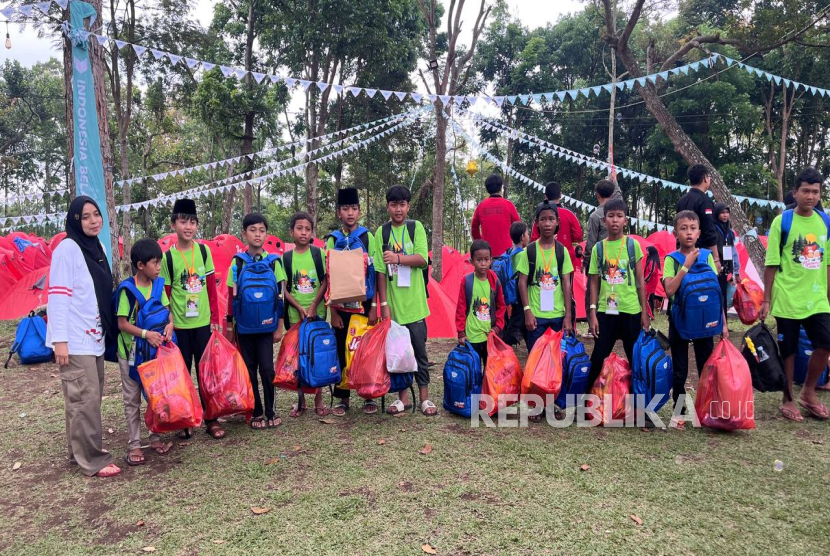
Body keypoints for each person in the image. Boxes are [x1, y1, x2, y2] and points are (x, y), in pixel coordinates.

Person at [46, 196, 121, 478]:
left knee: (87, 397)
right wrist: (60, 341)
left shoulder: (97, 247)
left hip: (94, 336)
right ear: (76, 221)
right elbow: (58, 297)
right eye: (86, 217)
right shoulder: (67, 249)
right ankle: (91, 458)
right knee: (84, 398)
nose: (93, 221)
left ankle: (77, 451)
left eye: (96, 215)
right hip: (75, 339)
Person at [761, 167, 830, 421]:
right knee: (787, 350)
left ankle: (808, 392)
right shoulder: (783, 221)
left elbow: (828, 263)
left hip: (817, 298)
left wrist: (828, 296)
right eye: (806, 191)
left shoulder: (825, 222)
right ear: (795, 192)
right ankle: (788, 397)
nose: (811, 196)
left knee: (825, 343)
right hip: (787, 296)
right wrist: (766, 299)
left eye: (816, 192)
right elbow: (771, 262)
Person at [161, 199, 225, 439]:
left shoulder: (203, 251)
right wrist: (168, 322)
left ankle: (212, 418)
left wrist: (216, 318)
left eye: (192, 222)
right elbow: (166, 294)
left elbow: (211, 288)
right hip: (179, 326)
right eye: (182, 221)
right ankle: (185, 419)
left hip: (203, 323)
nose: (188, 226)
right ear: (173, 224)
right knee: (183, 373)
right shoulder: (168, 258)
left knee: (206, 373)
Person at [662, 211, 728, 430]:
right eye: (683, 228)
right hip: (680, 320)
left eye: (692, 228)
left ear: (699, 232)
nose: (688, 232)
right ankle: (679, 412)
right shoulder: (671, 259)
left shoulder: (708, 256)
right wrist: (686, 265)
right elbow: (669, 290)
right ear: (675, 232)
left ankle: (706, 410)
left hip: (705, 321)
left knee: (705, 368)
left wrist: (723, 323)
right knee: (680, 369)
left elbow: (715, 291)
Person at [375, 185, 435, 416]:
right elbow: (380, 271)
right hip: (394, 306)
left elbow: (422, 259)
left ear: (408, 206)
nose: (398, 209)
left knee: (419, 354)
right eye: (393, 204)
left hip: (416, 305)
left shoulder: (415, 228)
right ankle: (402, 399)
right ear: (387, 206)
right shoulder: (382, 232)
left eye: (402, 204)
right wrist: (383, 305)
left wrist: (398, 257)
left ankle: (424, 398)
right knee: (398, 355)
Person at [116, 238, 175, 465]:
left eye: (160, 262)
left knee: (154, 395)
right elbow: (122, 323)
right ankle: (134, 444)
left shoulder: (158, 286)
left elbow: (167, 312)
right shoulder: (127, 291)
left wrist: (170, 325)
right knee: (132, 399)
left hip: (153, 353)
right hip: (130, 352)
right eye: (155, 262)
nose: (159, 267)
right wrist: (145, 334)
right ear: (140, 265)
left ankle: (155, 436)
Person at [226, 212, 287, 429]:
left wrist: (280, 325)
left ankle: (271, 410)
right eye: (252, 230)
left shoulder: (274, 263)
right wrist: (229, 325)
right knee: (249, 368)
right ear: (244, 234)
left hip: (267, 326)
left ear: (267, 234)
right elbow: (231, 296)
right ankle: (257, 411)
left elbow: (280, 297)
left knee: (267, 369)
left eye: (261, 230)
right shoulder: (237, 263)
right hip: (243, 327)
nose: (257, 234)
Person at [586, 198, 650, 391]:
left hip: (631, 310)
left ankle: (641, 408)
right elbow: (594, 281)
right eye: (611, 216)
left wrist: (645, 313)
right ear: (604, 220)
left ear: (625, 220)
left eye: (619, 216)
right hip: (607, 311)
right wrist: (592, 312)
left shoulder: (633, 246)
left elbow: (640, 281)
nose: (615, 220)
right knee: (598, 357)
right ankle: (583, 404)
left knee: (636, 360)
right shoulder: (598, 248)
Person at [326, 187, 379, 415]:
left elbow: (377, 272)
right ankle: (343, 398)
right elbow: (328, 279)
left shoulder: (369, 237)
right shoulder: (332, 240)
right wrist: (333, 312)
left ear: (359, 211)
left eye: (354, 208)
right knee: (341, 349)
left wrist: (375, 305)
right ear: (339, 212)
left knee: (366, 350)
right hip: (340, 306)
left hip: (365, 304)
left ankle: (369, 395)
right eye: (345, 208)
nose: (350, 213)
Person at [283, 211, 331, 418]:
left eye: (308, 229)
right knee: (298, 358)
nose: (303, 233)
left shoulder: (318, 254)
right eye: (299, 228)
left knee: (317, 355)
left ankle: (319, 399)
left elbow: (325, 282)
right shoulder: (286, 258)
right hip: (295, 316)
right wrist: (298, 307)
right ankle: (301, 400)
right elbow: (283, 288)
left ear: (312, 232)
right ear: (291, 232)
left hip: (317, 314)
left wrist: (313, 306)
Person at [516, 201, 574, 351]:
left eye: (551, 219)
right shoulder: (529, 251)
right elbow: (522, 282)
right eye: (543, 219)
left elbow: (566, 284)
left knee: (556, 361)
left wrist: (568, 316)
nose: (547, 223)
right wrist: (527, 310)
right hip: (536, 317)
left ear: (557, 222)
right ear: (537, 223)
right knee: (536, 361)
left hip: (558, 316)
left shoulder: (562, 251)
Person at [455, 239, 506, 368]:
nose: (483, 264)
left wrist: (497, 327)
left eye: (486, 259)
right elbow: (461, 308)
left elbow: (501, 306)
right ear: (472, 261)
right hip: (472, 337)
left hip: (490, 336)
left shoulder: (495, 281)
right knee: (474, 372)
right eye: (479, 260)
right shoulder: (466, 282)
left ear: (491, 260)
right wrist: (461, 332)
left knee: (489, 371)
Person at [583, 179, 622, 321]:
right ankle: (612, 319)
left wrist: (587, 263)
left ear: (597, 194)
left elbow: (591, 243)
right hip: (615, 261)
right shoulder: (619, 213)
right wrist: (615, 181)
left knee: (593, 295)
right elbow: (619, 195)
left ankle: (595, 322)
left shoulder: (595, 216)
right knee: (612, 289)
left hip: (598, 261)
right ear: (612, 194)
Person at [675, 164, 721, 273]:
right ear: (705, 178)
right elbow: (709, 230)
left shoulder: (681, 200)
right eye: (709, 177)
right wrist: (716, 258)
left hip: (681, 254)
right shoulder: (705, 201)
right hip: (700, 256)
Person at [531, 181, 583, 271]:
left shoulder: (541, 216)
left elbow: (534, 239)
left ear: (545, 196)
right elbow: (578, 236)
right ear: (560, 194)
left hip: (545, 258)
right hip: (567, 259)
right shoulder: (569, 214)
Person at [470, 173, 521, 257]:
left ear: (487, 188)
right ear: (500, 187)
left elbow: (474, 228)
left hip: (486, 256)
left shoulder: (481, 206)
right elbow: (518, 228)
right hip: (506, 255)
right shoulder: (508, 205)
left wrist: (480, 244)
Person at [502, 221, 530, 346]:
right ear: (522, 237)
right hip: (519, 292)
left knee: (520, 318)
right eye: (527, 234)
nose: (529, 236)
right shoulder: (522, 254)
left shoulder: (509, 252)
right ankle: (504, 345)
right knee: (516, 320)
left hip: (513, 291)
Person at [713, 203, 739, 310]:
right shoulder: (713, 230)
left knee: (724, 298)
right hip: (715, 267)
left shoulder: (729, 232)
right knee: (716, 296)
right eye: (722, 213)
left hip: (727, 269)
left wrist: (735, 271)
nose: (725, 215)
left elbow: (733, 252)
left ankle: (724, 325)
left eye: (727, 212)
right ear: (717, 213)